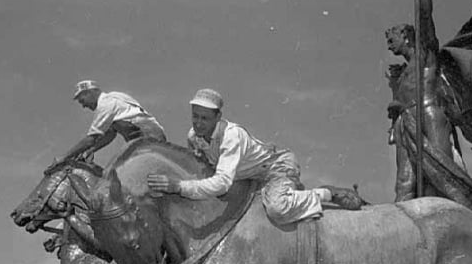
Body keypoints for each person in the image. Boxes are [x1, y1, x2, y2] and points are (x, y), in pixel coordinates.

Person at [147, 88, 365, 226]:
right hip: (246, 177)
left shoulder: (232, 136)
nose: (198, 123)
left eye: (205, 118)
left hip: (276, 167)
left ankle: (326, 193)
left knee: (278, 209)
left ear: (218, 117)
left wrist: (178, 186)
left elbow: (222, 183)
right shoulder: (194, 137)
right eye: (195, 116)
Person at [384, 0, 472, 213]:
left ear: (406, 35)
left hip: (430, 115)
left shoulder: (426, 54)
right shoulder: (402, 72)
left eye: (391, 39)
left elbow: (425, 12)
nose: (388, 46)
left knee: (444, 175)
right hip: (405, 123)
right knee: (404, 183)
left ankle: (462, 222)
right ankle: (401, 231)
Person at [45, 80, 166, 173]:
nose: (83, 106)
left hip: (147, 141)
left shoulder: (105, 105)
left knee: (118, 175)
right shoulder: (115, 96)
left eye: (82, 101)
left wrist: (64, 157)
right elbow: (110, 134)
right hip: (152, 137)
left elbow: (90, 139)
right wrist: (91, 150)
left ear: (89, 93)